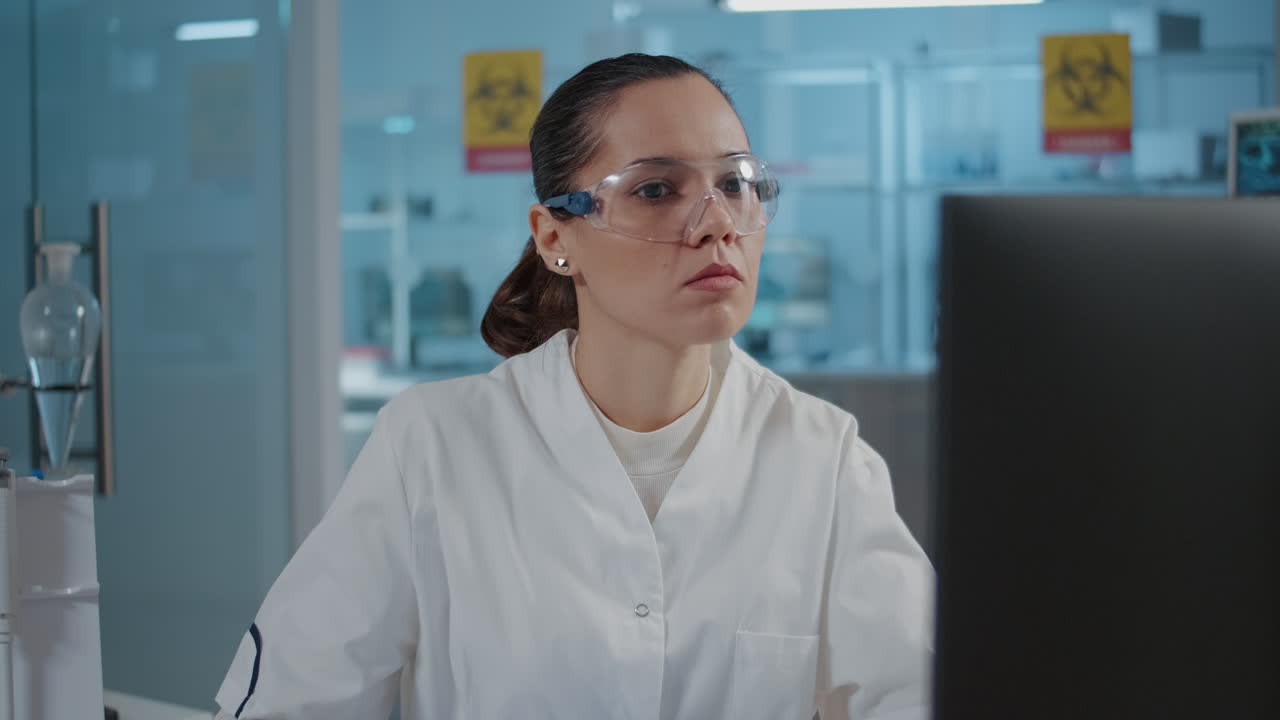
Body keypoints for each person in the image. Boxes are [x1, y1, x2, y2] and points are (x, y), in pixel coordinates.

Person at [216, 53, 934, 720]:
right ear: (555, 236)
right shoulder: (434, 445)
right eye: (657, 189)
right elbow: (294, 700)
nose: (717, 223)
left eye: (734, 183)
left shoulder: (822, 458)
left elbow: (917, 693)